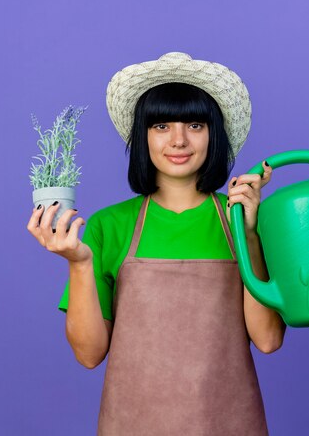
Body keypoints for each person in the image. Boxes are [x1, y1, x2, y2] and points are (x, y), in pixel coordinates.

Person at [27, 52, 286, 435]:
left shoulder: (243, 223)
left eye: (195, 124)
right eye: (161, 125)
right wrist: (79, 263)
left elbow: (267, 340)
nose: (178, 140)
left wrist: (248, 234)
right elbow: (89, 354)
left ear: (214, 133)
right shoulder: (109, 226)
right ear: (142, 135)